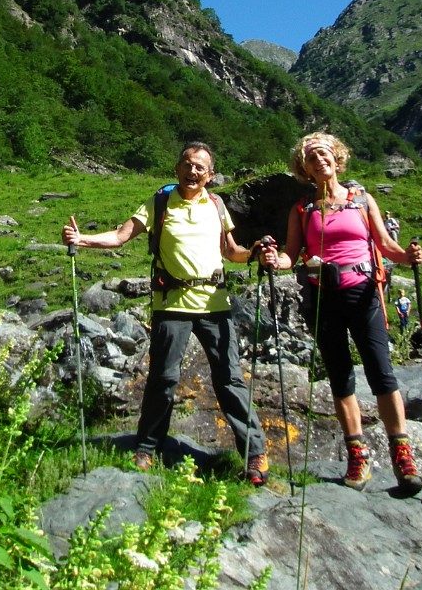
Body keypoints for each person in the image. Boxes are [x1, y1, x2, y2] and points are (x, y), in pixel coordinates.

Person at [62, 141, 269, 485]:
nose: (193, 171)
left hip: (214, 304)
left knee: (230, 379)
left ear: (210, 175)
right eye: (187, 164)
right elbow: (120, 236)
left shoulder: (217, 206)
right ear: (177, 168)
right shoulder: (158, 202)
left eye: (200, 167)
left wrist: (256, 255)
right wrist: (82, 240)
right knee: (163, 380)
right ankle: (146, 448)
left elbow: (232, 252)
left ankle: (254, 455)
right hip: (171, 303)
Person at [259, 131, 422, 494]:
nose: (319, 160)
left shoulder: (362, 200)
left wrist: (407, 256)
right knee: (340, 377)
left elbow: (385, 245)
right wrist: (276, 260)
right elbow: (291, 254)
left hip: (364, 294)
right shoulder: (302, 210)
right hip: (324, 299)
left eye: (324, 154)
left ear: (337, 157)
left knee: (382, 374)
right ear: (304, 168)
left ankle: (402, 454)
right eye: (311, 158)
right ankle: (357, 454)